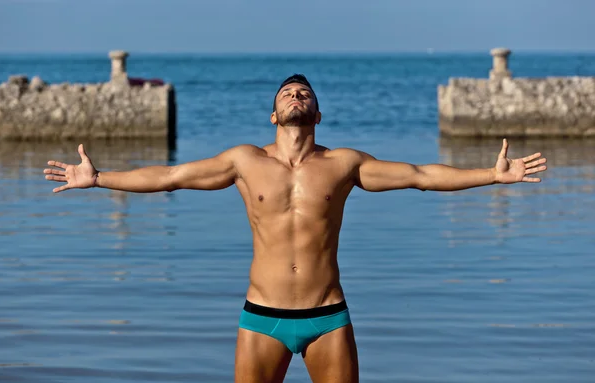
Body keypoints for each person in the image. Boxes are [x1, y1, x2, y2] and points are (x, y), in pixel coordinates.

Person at [44, 74, 547, 383]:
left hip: (328, 317)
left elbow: (420, 176)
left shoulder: (345, 163)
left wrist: (491, 175)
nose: (296, 95)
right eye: (287, 92)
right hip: (261, 318)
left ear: (318, 113)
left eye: (304, 92)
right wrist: (99, 178)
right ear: (273, 114)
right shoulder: (244, 161)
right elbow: (170, 177)